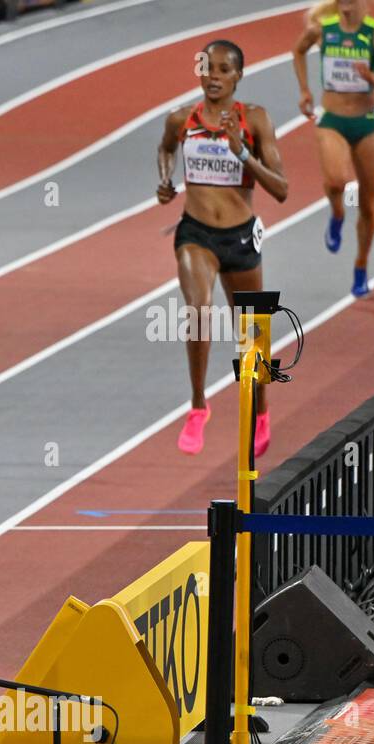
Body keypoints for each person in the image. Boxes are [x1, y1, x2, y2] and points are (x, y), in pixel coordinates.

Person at [157, 40, 288, 457]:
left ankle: (261, 411)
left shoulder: (255, 120)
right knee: (197, 309)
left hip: (241, 239)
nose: (213, 76)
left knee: (252, 339)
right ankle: (198, 406)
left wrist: (242, 153)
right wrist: (165, 181)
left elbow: (281, 189)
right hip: (196, 234)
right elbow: (165, 149)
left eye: (223, 70)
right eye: (207, 68)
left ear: (238, 77)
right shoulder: (182, 119)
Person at [294, 0, 374, 296]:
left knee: (367, 204)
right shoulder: (322, 29)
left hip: (367, 123)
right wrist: (304, 89)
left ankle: (361, 266)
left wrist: (371, 78)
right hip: (332, 120)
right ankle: (338, 214)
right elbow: (298, 50)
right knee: (336, 180)